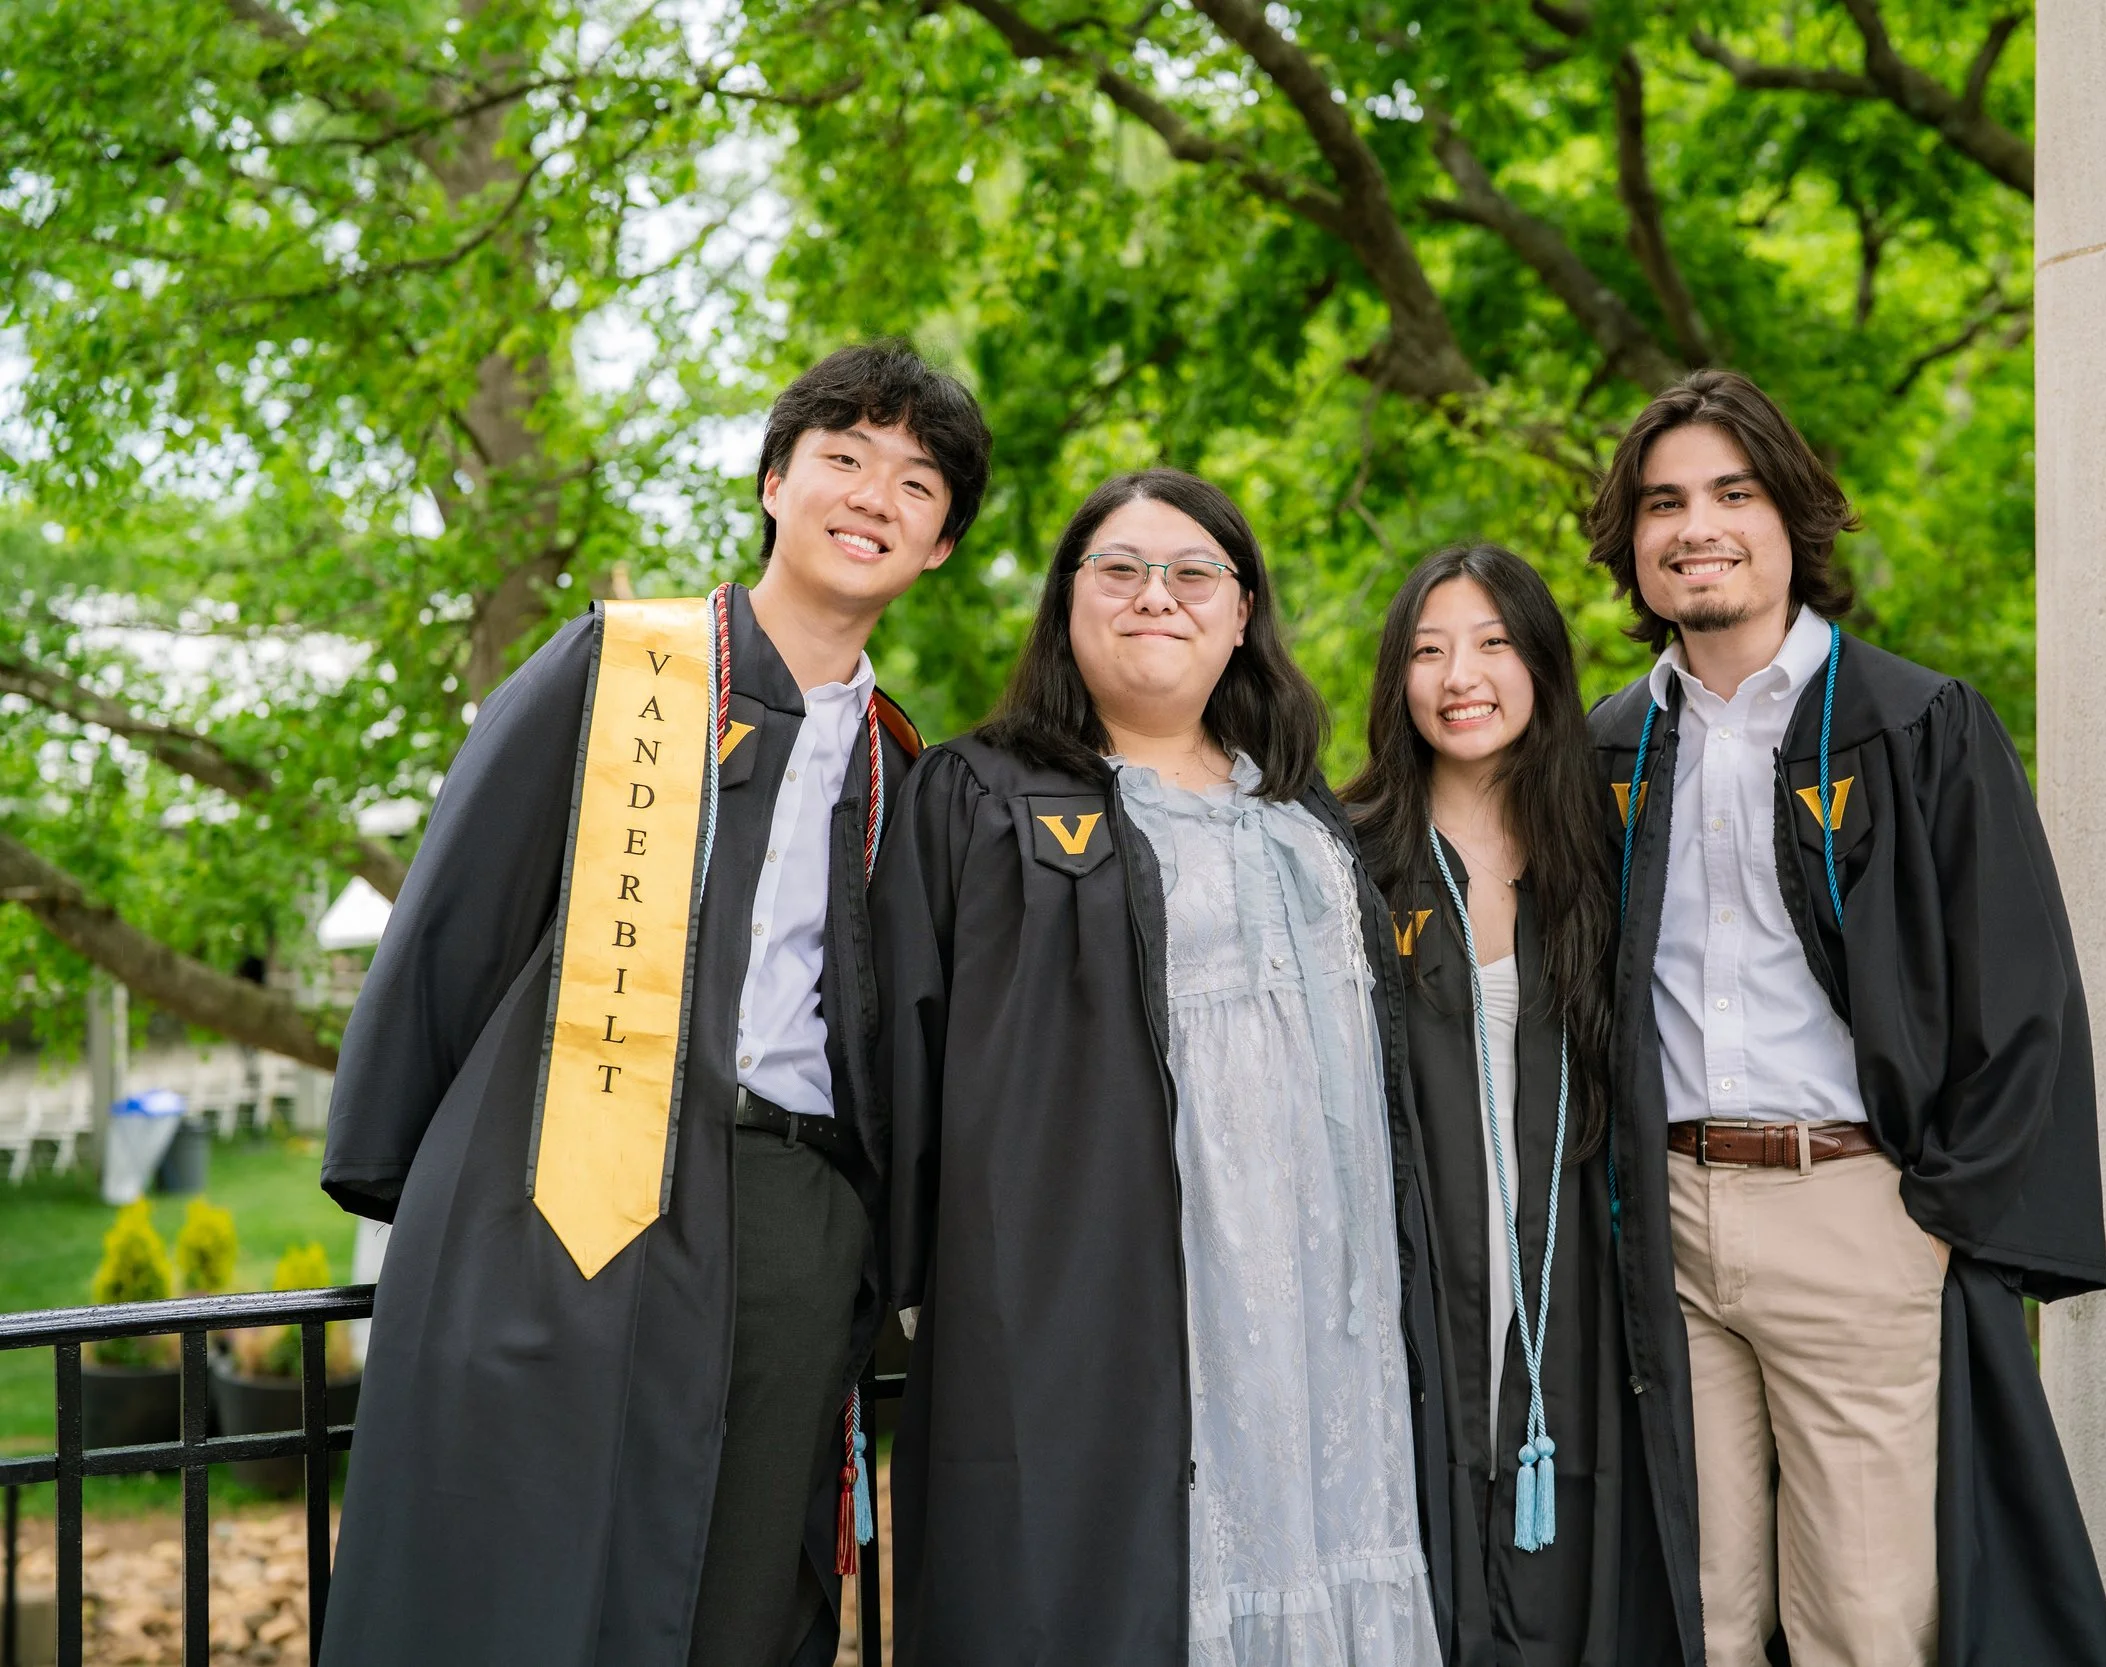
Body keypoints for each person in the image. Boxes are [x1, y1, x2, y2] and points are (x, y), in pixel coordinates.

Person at [318, 340, 991, 1667]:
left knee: (742, 1592)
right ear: (773, 479)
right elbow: (463, 909)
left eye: (917, 484)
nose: (873, 495)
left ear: (941, 548)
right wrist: (428, 1188)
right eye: (845, 457)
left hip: (797, 1210)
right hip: (574, 1174)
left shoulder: (906, 769)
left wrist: (877, 1240)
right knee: (527, 1559)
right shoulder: (625, 668)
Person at [1585, 368, 2106, 1667]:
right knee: (1699, 1612)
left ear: (1793, 515)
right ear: (1632, 541)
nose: (1694, 524)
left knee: (1869, 1622)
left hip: (1855, 1209)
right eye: (1662, 502)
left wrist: (1934, 1219)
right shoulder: (1609, 746)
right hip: (1668, 1225)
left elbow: (2021, 993)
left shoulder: (1915, 721)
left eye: (1731, 490)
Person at [871, 468, 1452, 1666]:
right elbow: (902, 1057)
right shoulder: (979, 797)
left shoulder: (1308, 822)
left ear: (1241, 613)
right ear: (1065, 603)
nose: (1157, 597)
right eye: (1119, 570)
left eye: (1194, 573)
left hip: (1325, 1315)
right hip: (1111, 1305)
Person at [1343, 545, 1700, 1667]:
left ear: (1542, 664)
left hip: (1575, 1270)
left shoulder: (1610, 853)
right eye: (1428, 648)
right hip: (1413, 1259)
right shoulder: (1346, 855)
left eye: (1493, 642)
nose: (1462, 674)